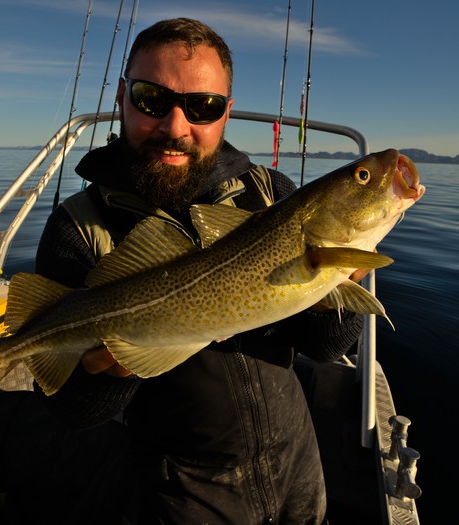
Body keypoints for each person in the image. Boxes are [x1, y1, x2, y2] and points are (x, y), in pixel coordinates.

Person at [32, 18, 368, 524]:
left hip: (297, 461)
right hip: (183, 490)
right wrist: (113, 372)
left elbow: (327, 347)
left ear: (226, 113)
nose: (175, 127)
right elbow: (73, 411)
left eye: (203, 107)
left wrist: (338, 281)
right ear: (123, 96)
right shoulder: (78, 230)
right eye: (151, 99)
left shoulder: (270, 194)